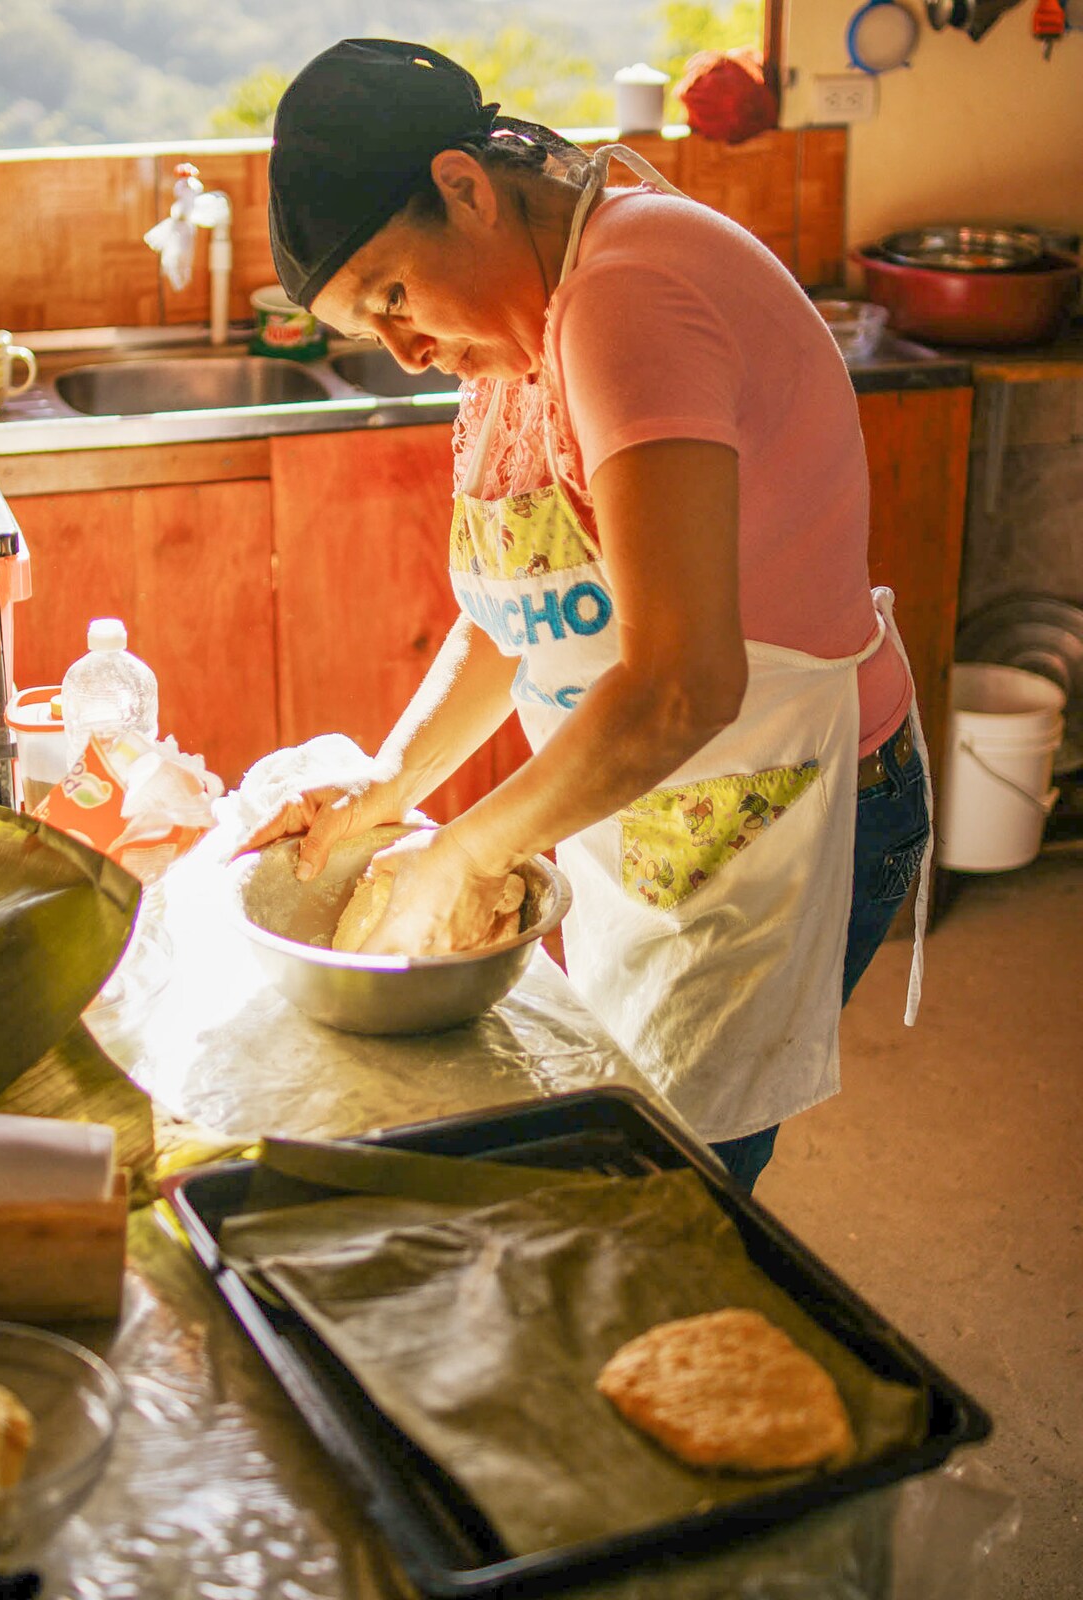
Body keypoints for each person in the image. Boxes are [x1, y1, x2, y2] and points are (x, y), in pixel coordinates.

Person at [254, 38, 933, 1191]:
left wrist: (463, 856)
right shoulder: (526, 321)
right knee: (624, 1150)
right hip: (665, 807)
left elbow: (683, 685)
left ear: (465, 187)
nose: (412, 353)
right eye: (378, 332)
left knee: (655, 1197)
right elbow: (513, 617)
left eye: (395, 295)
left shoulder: (628, 296)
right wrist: (392, 791)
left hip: (790, 808)